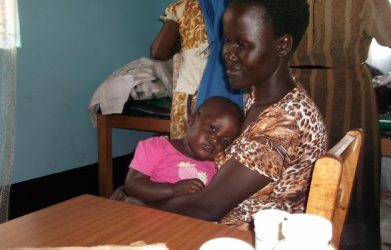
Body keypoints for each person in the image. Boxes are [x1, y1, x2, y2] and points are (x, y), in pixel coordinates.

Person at [129, 0, 328, 231]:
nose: (227, 54)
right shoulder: (267, 100)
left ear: (282, 45)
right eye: (227, 41)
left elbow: (209, 206)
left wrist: (137, 203)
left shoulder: (284, 124)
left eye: (242, 45)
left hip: (250, 237)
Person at [289, 1, 391, 248]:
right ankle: (350, 241)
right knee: (352, 175)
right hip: (347, 90)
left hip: (292, 90)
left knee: (298, 173)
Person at [111, 96, 244, 202]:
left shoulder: (218, 168)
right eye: (213, 128)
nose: (216, 140)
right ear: (192, 120)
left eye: (225, 141)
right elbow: (132, 185)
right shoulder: (156, 147)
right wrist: (173, 190)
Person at [151, 0, 243, 140]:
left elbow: (159, 52)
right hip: (235, 91)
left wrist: (184, 43)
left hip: (192, 95)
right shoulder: (245, 6)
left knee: (187, 152)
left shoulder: (186, 6)